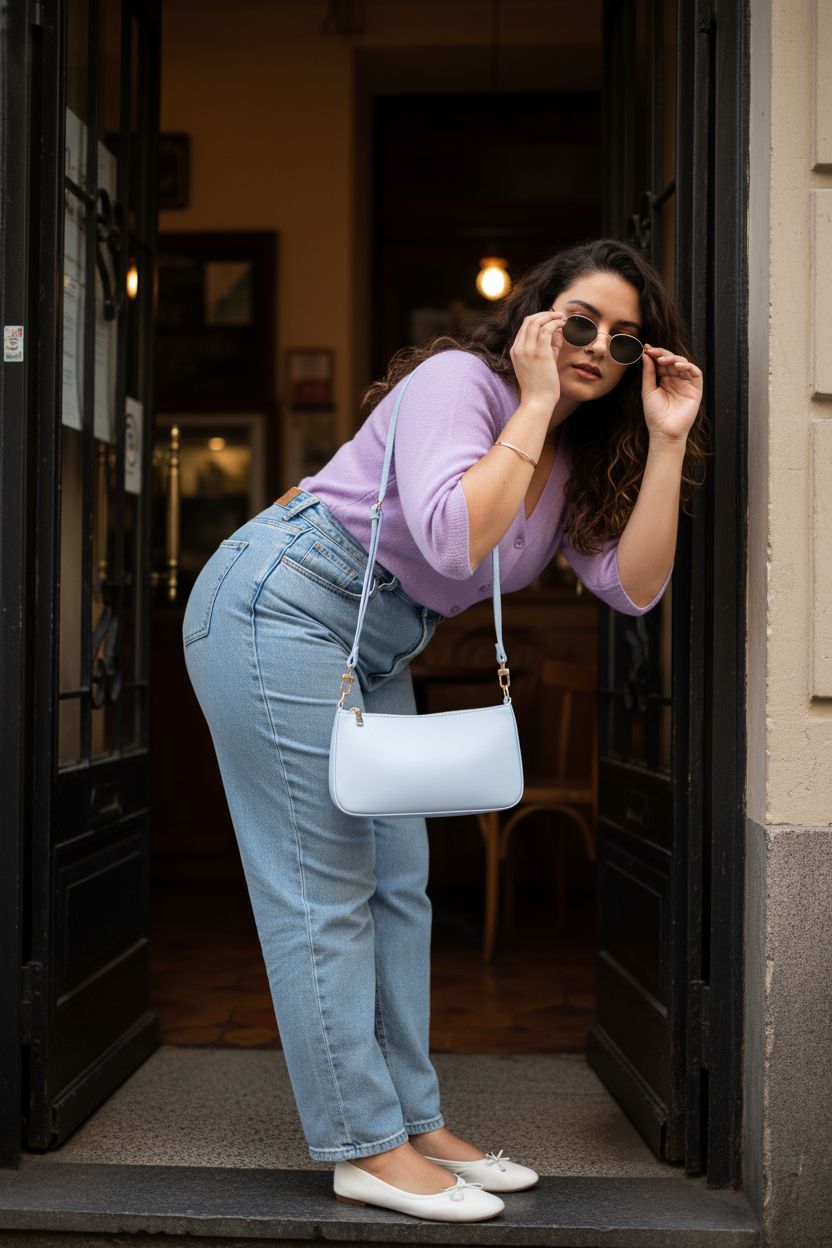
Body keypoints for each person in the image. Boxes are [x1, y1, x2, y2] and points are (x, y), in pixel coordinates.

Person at [181, 237, 707, 1223]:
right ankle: (363, 1146)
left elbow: (634, 588)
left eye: (625, 340)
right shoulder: (458, 384)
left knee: (398, 882)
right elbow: (452, 534)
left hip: (369, 645)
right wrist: (537, 396)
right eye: (579, 323)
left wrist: (667, 437)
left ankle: (414, 1122)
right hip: (279, 607)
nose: (597, 345)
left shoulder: (579, 457)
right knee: (321, 885)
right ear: (533, 321)